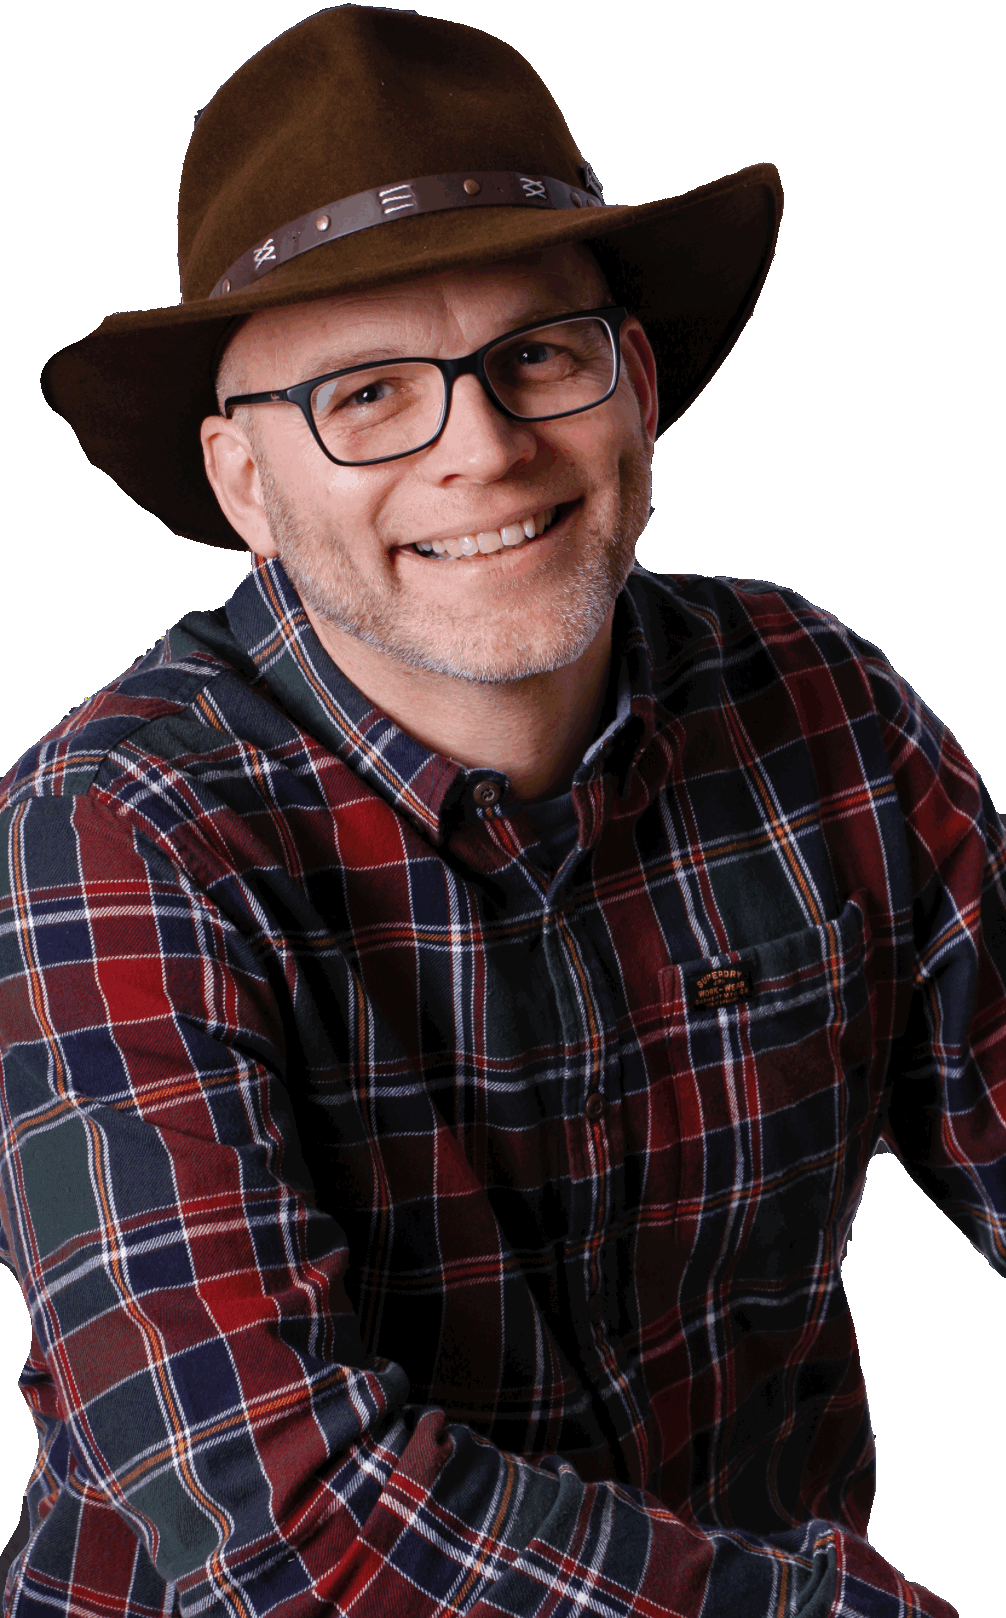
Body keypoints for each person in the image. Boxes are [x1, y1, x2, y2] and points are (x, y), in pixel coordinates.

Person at [3, 7, 1001, 1614]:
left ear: (635, 384)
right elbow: (279, 1515)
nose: (481, 448)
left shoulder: (820, 704)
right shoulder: (122, 820)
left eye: (537, 355)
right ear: (247, 485)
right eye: (368, 392)